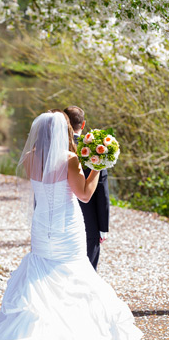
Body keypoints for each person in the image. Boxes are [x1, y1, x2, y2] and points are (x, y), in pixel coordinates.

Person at [0, 111, 141, 340]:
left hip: (41, 228)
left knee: (41, 276)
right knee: (75, 276)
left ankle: (37, 336)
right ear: (62, 132)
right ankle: (78, 338)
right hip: (67, 227)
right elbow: (84, 195)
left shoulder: (29, 158)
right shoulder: (70, 160)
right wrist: (96, 166)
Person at [64, 105, 109, 269]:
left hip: (60, 220)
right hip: (88, 221)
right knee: (88, 270)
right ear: (83, 125)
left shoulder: (53, 149)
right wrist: (103, 227)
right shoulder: (95, 149)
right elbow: (101, 190)